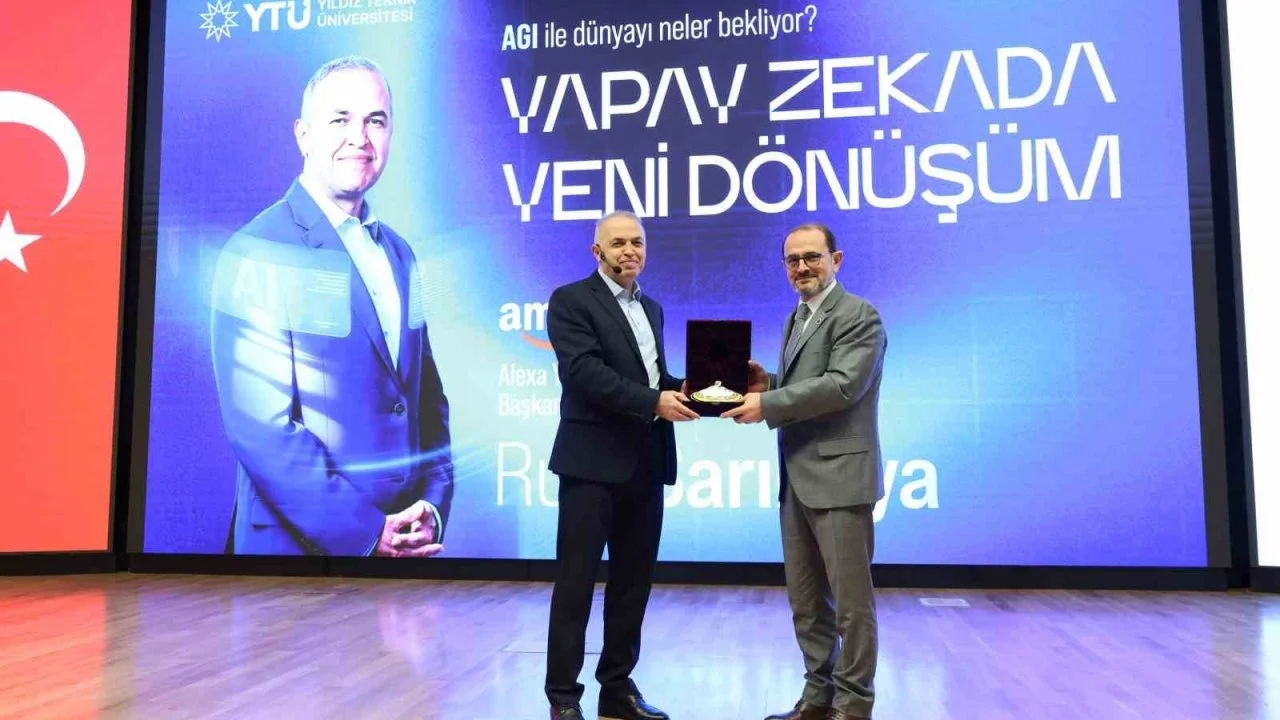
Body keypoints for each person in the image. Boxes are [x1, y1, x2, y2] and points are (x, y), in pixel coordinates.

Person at [209, 56, 454, 558]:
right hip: (294, 559)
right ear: (303, 135)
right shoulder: (257, 250)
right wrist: (367, 532)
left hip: (401, 552)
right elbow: (262, 429)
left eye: (375, 121)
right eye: (340, 119)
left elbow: (426, 400)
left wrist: (431, 506)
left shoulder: (402, 255)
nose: (359, 138)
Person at [723, 223, 887, 720]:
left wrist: (768, 403)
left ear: (836, 259)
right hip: (797, 477)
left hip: (840, 478)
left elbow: (842, 386)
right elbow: (809, 383)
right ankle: (818, 699)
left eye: (812, 257)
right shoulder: (797, 318)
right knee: (808, 601)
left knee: (851, 606)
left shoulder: (858, 314)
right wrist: (767, 383)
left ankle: (853, 705)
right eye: (793, 260)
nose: (802, 267)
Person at [544, 210, 699, 720]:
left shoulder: (651, 308)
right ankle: (563, 698)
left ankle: (616, 688)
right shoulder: (571, 300)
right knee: (576, 584)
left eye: (637, 242)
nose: (630, 250)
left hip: (646, 464)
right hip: (590, 466)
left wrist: (698, 387)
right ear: (597, 251)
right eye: (618, 243)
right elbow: (585, 373)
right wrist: (655, 401)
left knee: (633, 585)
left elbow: (651, 377)